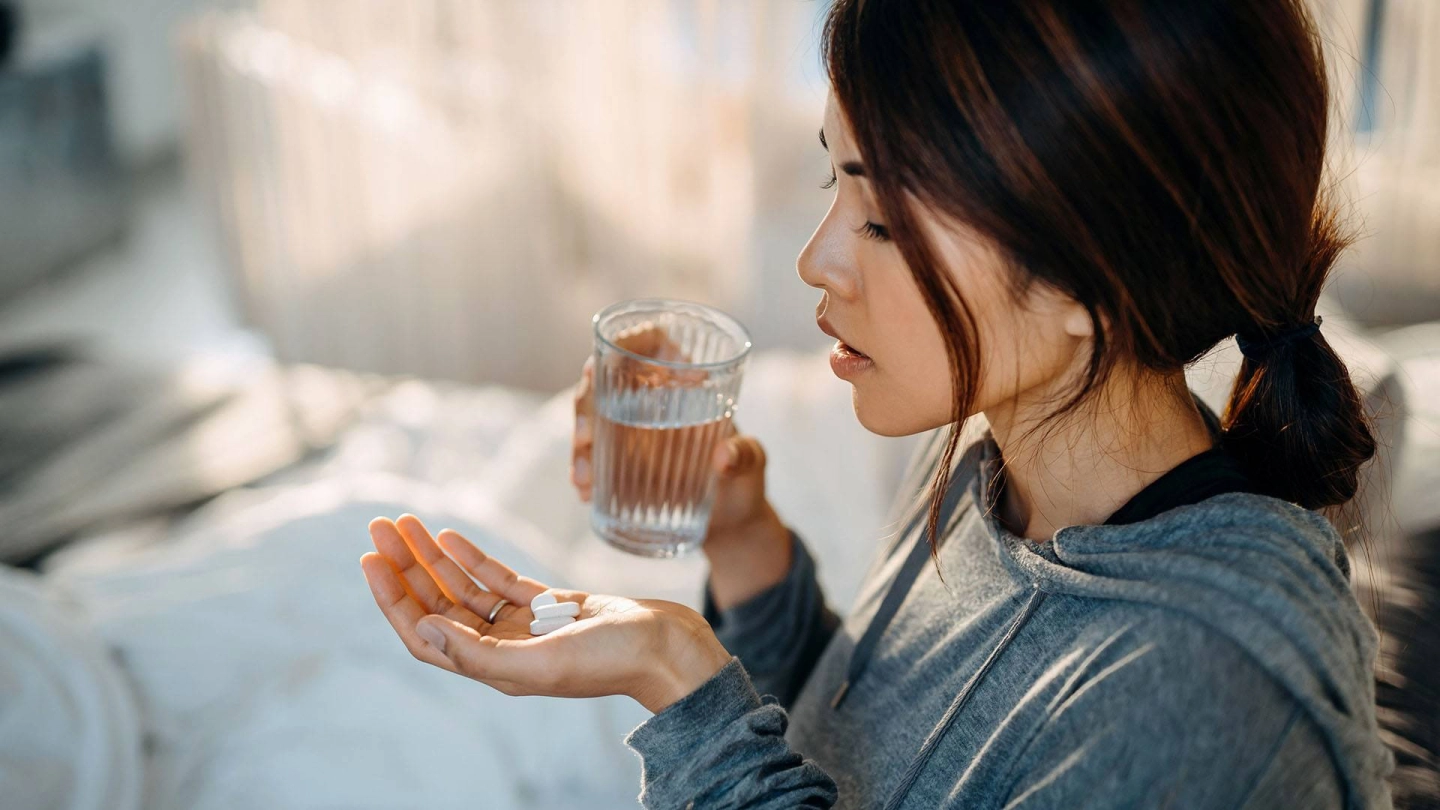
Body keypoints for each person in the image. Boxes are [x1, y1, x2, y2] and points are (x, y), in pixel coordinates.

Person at [359, 0, 1396, 806]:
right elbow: (861, 755)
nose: (817, 262)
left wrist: (677, 678)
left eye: (886, 219)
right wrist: (746, 547)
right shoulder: (994, 459)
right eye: (834, 184)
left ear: (1093, 274)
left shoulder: (1208, 696)